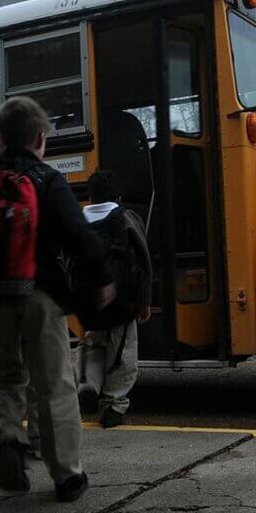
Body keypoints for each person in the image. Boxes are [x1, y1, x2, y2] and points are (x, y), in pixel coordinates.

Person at [0, 96, 114, 502]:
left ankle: (10, 438)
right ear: (40, 139)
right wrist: (103, 278)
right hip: (40, 294)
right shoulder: (46, 179)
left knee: (1, 378)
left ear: (0, 138)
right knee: (54, 383)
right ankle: (67, 475)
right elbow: (79, 235)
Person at [76, 169, 153, 429]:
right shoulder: (126, 218)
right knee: (122, 353)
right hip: (123, 303)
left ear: (90, 196)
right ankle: (114, 405)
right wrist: (144, 300)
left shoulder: (78, 222)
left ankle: (89, 383)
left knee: (94, 345)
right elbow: (142, 261)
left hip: (90, 304)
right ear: (118, 196)